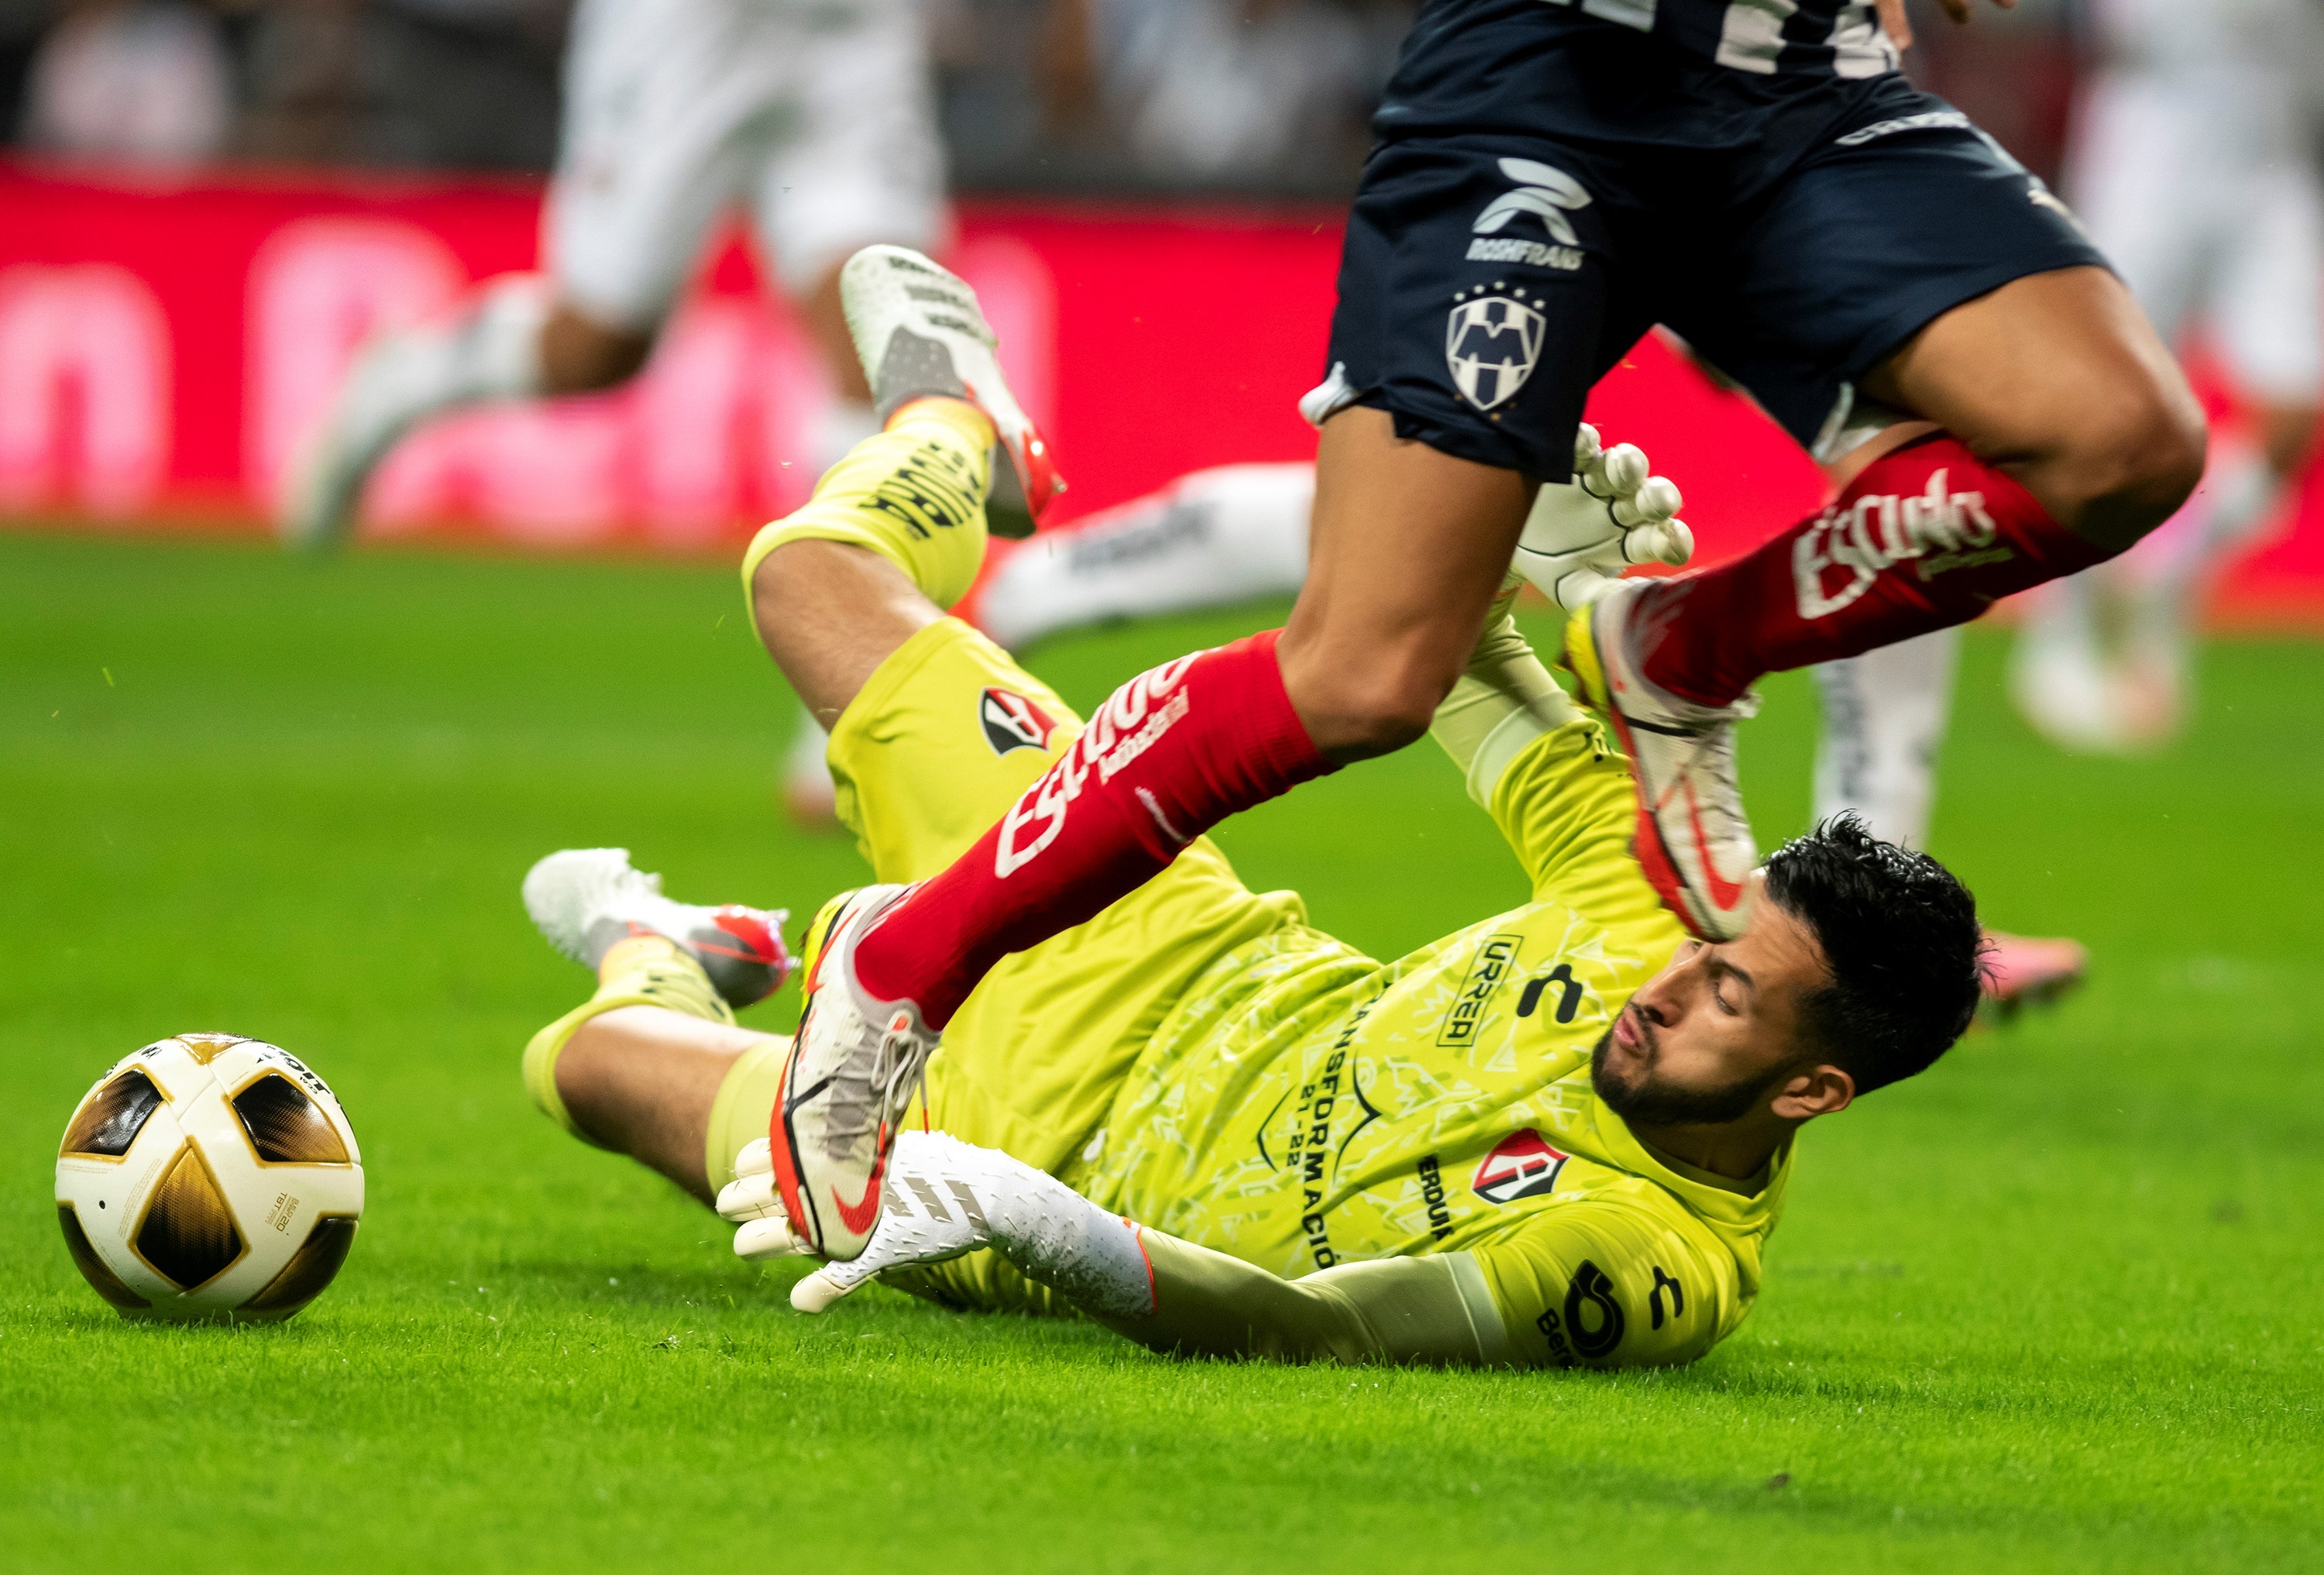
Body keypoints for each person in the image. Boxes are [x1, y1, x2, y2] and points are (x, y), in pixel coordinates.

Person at [765, 0, 2205, 1266]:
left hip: (1807, 91)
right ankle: (896, 951)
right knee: (1358, 667)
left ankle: (1677, 645)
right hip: (1549, 82)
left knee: (2118, 439)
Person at [513, 401, 1983, 1368]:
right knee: (808, 574)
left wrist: (1012, 1210)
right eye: (1707, 946)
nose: (1671, 980)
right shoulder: (1653, 903)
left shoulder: (1651, 1264)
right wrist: (1508, 549)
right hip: (1143, 939)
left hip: (1041, 1170)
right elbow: (1443, 671)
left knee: (579, 1065)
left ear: (1811, 1088)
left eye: (1730, 993)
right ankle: (955, 417)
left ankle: (663, 946)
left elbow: (1315, 1328)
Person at [779, 442, 2082, 1014]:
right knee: (1399, 569)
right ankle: (1019, 531)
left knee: (1920, 472)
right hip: (1593, 115)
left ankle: (1864, 891)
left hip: (1716, 103)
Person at [277, 0, 957, 550]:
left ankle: (849, 691)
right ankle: (405, 378)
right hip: (686, 33)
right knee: (597, 345)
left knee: (883, 335)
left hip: (853, 33)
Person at [2009, 0, 2324, 750]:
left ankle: (2170, 580)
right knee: (2115, 400)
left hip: (2272, 137)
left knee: (2294, 413)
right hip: (2155, 127)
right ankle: (2060, 643)